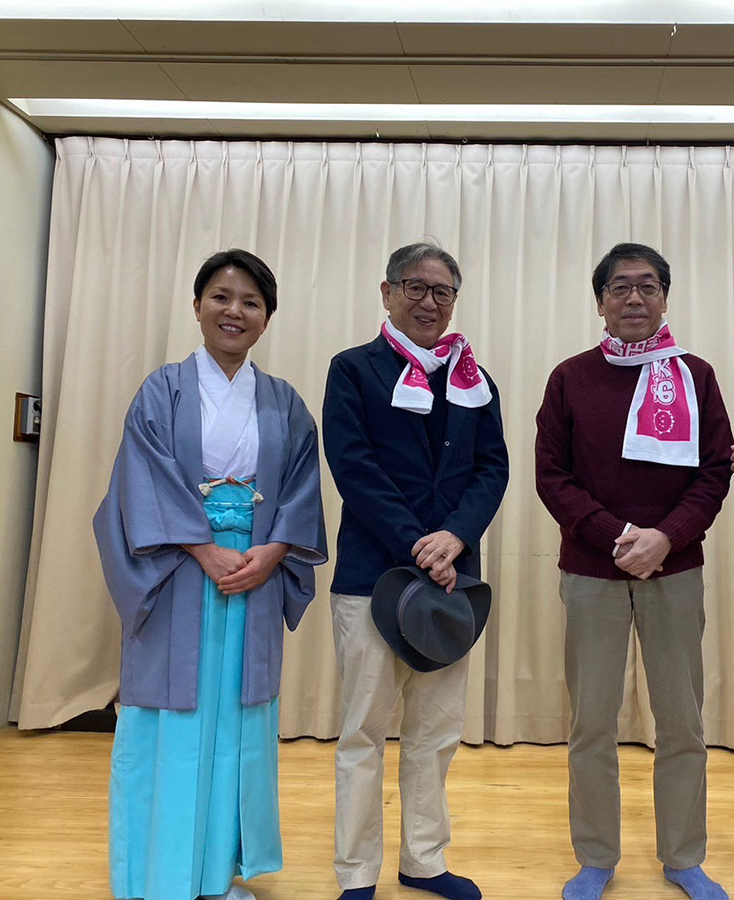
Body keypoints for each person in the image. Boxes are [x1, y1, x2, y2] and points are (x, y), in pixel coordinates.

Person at [94, 248, 328, 900]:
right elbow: (140, 482)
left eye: (251, 302)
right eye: (222, 297)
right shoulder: (161, 391)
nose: (235, 311)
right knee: (172, 722)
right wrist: (202, 548)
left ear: (267, 318)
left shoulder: (282, 402)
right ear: (196, 306)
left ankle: (217, 874)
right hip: (176, 572)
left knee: (235, 722)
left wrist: (273, 553)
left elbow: (302, 489)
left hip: (254, 574)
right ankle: (157, 874)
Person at [535, 242, 734, 900]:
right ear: (600, 302)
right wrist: (619, 535)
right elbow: (552, 478)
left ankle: (684, 857)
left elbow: (713, 473)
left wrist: (666, 539)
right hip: (593, 571)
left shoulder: (695, 375)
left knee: (681, 722)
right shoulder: (569, 378)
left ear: (665, 297)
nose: (634, 299)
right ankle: (595, 857)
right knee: (591, 723)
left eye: (648, 287)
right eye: (619, 288)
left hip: (675, 572)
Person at [321, 242, 509, 900]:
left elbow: (494, 468)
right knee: (364, 731)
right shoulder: (353, 370)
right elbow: (354, 468)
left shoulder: (474, 379)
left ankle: (424, 861)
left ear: (454, 301)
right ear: (387, 292)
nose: (428, 301)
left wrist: (455, 537)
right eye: (415, 287)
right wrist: (420, 544)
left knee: (436, 732)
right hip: (373, 577)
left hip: (452, 580)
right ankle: (355, 874)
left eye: (442, 292)